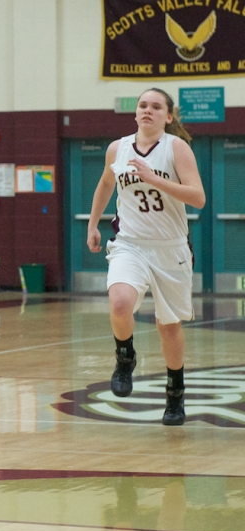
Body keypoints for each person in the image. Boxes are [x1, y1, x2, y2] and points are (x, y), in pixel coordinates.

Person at [86, 87, 205, 427]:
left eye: (156, 106)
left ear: (168, 116)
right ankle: (125, 357)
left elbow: (198, 198)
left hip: (171, 247)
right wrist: (93, 224)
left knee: (169, 327)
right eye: (143, 105)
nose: (148, 110)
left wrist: (154, 179)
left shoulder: (176, 148)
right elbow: (106, 184)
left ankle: (175, 393)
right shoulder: (118, 148)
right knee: (120, 303)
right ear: (135, 113)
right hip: (130, 243)